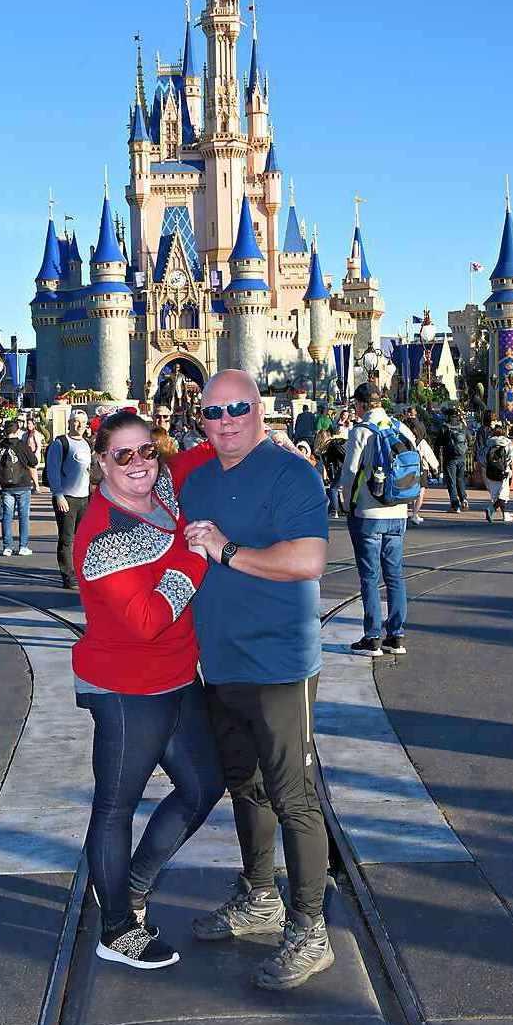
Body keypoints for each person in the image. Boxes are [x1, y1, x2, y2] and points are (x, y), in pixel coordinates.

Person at [179, 370, 334, 991]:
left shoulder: (291, 473)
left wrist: (227, 550)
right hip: (221, 662)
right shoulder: (198, 479)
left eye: (238, 408)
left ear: (260, 410)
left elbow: (308, 560)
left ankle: (311, 929)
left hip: (278, 664)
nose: (226, 421)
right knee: (245, 786)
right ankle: (260, 897)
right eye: (213, 412)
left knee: (293, 796)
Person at [73, 411, 223, 971]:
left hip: (179, 676)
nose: (138, 463)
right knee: (116, 807)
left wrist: (240, 429)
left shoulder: (162, 489)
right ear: (101, 462)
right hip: (126, 688)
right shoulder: (102, 537)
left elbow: (197, 457)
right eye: (123, 455)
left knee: (203, 786)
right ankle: (116, 929)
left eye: (146, 451)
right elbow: (147, 619)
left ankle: (132, 884)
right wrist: (195, 552)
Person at [339, 384, 410, 658]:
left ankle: (372, 638)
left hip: (369, 514)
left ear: (360, 405)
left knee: (370, 577)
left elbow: (349, 474)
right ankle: (396, 636)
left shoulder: (361, 432)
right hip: (398, 511)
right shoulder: (400, 427)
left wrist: (347, 504)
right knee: (395, 575)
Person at [46, 410, 92, 588]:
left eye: (83, 422)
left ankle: (81, 571)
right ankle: (68, 575)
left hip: (84, 498)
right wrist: (58, 495)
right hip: (67, 498)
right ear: (69, 423)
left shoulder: (87, 444)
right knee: (66, 539)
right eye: (76, 421)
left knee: (82, 538)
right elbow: (53, 470)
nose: (79, 425)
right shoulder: (60, 443)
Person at [0, 423, 37, 555]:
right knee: (23, 516)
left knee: (7, 516)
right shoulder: (22, 445)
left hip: (6, 486)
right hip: (23, 483)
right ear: (17, 431)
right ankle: (23, 546)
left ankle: (7, 546)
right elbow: (34, 462)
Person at [401, 408, 440, 528]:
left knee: (408, 491)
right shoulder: (421, 442)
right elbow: (429, 456)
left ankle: (405, 514)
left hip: (407, 468)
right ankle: (415, 514)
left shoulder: (403, 441)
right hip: (421, 468)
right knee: (421, 492)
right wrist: (436, 468)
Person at [483, 420, 513, 523]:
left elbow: (482, 457)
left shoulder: (488, 443)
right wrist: (508, 466)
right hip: (504, 472)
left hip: (490, 473)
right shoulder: (507, 443)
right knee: (503, 495)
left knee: (496, 495)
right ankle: (492, 509)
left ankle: (505, 515)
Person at [437, 406, 470, 513]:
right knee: (460, 479)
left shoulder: (444, 427)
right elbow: (469, 438)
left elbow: (439, 443)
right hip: (461, 457)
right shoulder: (462, 426)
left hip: (450, 457)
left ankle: (455, 505)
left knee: (451, 481)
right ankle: (464, 500)